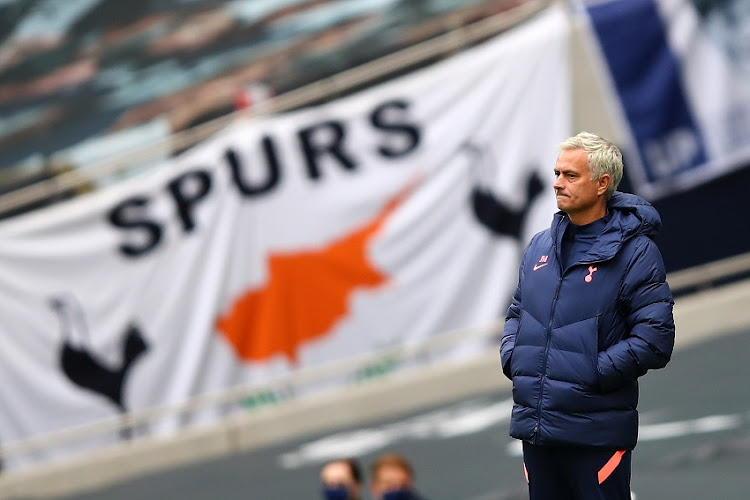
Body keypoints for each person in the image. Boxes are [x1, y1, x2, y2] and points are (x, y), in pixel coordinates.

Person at [500, 132, 675, 499]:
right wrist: (513, 356)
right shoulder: (539, 246)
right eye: (557, 173)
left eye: (570, 175)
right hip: (538, 430)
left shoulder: (637, 252)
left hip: (595, 433)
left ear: (602, 184)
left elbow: (655, 339)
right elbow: (517, 311)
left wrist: (589, 370)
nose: (556, 182)